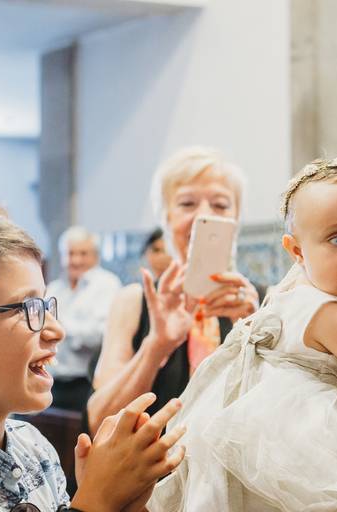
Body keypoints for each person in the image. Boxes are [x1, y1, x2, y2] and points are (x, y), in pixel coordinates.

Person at [148, 158, 337, 511]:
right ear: (297, 250)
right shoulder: (332, 315)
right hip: (296, 440)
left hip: (255, 435)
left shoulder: (293, 290)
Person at [0, 213, 185, 511]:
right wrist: (96, 500)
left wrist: (121, 501)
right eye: (28, 308)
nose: (57, 330)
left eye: (47, 306)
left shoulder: (35, 448)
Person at [87, 147, 260, 432]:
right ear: (165, 217)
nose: (203, 215)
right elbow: (99, 419)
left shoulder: (264, 303)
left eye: (220, 205)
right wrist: (157, 345)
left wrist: (254, 333)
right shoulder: (134, 302)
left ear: (237, 219)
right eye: (187, 204)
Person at [46, 226, 122, 412]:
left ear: (95, 256)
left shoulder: (107, 285)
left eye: (83, 253)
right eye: (70, 253)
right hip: (54, 385)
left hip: (88, 384)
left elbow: (101, 336)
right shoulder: (54, 289)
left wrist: (61, 327)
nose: (76, 260)